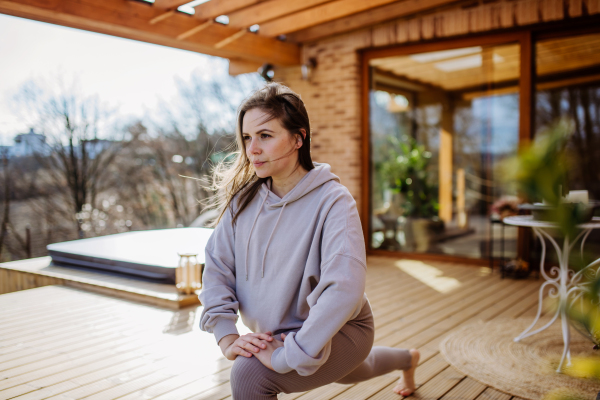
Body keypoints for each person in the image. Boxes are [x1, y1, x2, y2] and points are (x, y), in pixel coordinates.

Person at [199, 82, 420, 399]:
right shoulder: (243, 202)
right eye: (247, 138)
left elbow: (342, 288)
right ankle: (407, 359)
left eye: (265, 135)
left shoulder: (334, 201)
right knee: (358, 370)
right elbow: (218, 268)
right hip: (279, 331)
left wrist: (288, 355)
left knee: (250, 376)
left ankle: (402, 359)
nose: (252, 150)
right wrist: (227, 336)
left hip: (342, 328)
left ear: (298, 137)